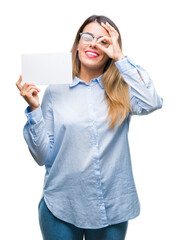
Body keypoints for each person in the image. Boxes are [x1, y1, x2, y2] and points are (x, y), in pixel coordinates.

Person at [16, 15, 163, 240]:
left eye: (103, 41)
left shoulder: (122, 90)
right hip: (61, 206)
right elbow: (42, 155)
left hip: (111, 208)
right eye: (88, 37)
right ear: (77, 45)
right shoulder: (56, 91)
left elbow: (152, 102)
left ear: (110, 50)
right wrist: (34, 109)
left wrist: (121, 57)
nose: (94, 43)